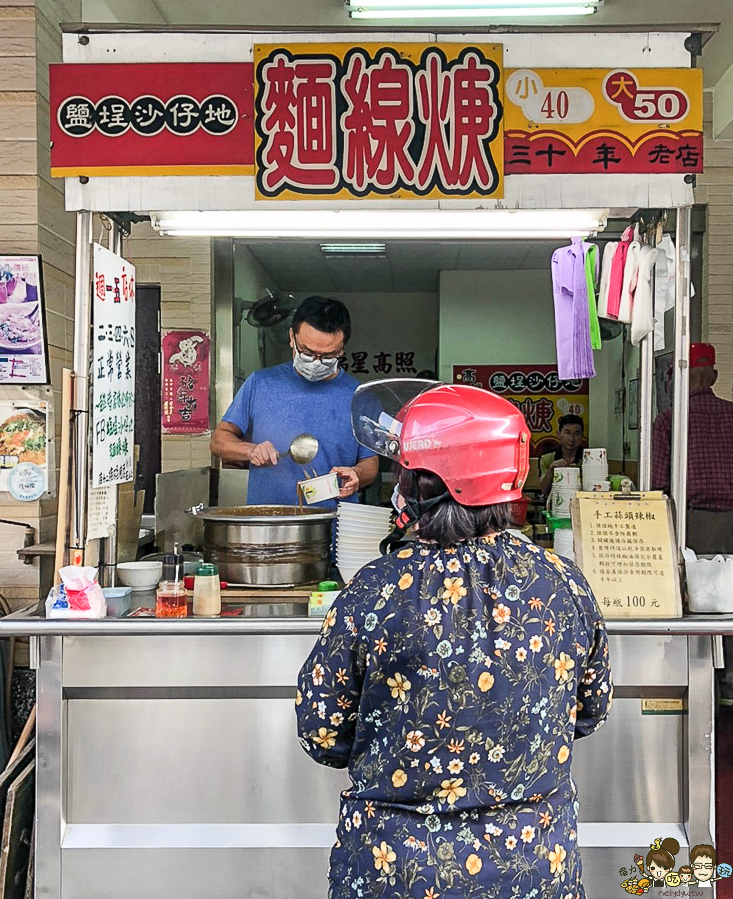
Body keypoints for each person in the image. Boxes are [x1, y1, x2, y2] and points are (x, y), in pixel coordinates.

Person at [296, 381, 613, 899]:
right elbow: (589, 711)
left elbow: (322, 735)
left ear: (427, 485)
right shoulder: (564, 583)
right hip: (533, 867)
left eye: (407, 473)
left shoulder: (371, 592)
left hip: (395, 871)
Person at [210, 295, 378, 506]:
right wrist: (250, 450)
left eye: (328, 356)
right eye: (307, 352)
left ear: (342, 349)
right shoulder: (261, 383)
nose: (316, 362)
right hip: (267, 524)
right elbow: (219, 441)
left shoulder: (359, 397)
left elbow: (370, 461)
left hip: (332, 526)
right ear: (292, 336)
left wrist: (357, 474)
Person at [652, 342, 733, 554]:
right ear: (714, 377)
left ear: (678, 377)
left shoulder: (669, 419)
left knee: (694, 583)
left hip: (694, 522)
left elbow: (658, 482)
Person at [539, 413, 585, 497]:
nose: (571, 438)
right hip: (555, 501)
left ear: (582, 436)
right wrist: (551, 469)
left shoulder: (588, 458)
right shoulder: (547, 457)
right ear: (558, 434)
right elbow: (544, 490)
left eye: (577, 434)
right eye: (567, 433)